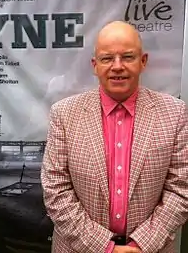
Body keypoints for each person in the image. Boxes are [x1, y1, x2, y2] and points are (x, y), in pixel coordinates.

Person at [40, 21, 188, 253]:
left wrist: (141, 245)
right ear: (95, 65)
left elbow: (181, 188)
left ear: (143, 61)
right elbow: (55, 189)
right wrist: (106, 248)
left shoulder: (175, 113)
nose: (117, 66)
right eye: (107, 58)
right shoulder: (64, 114)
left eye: (127, 57)